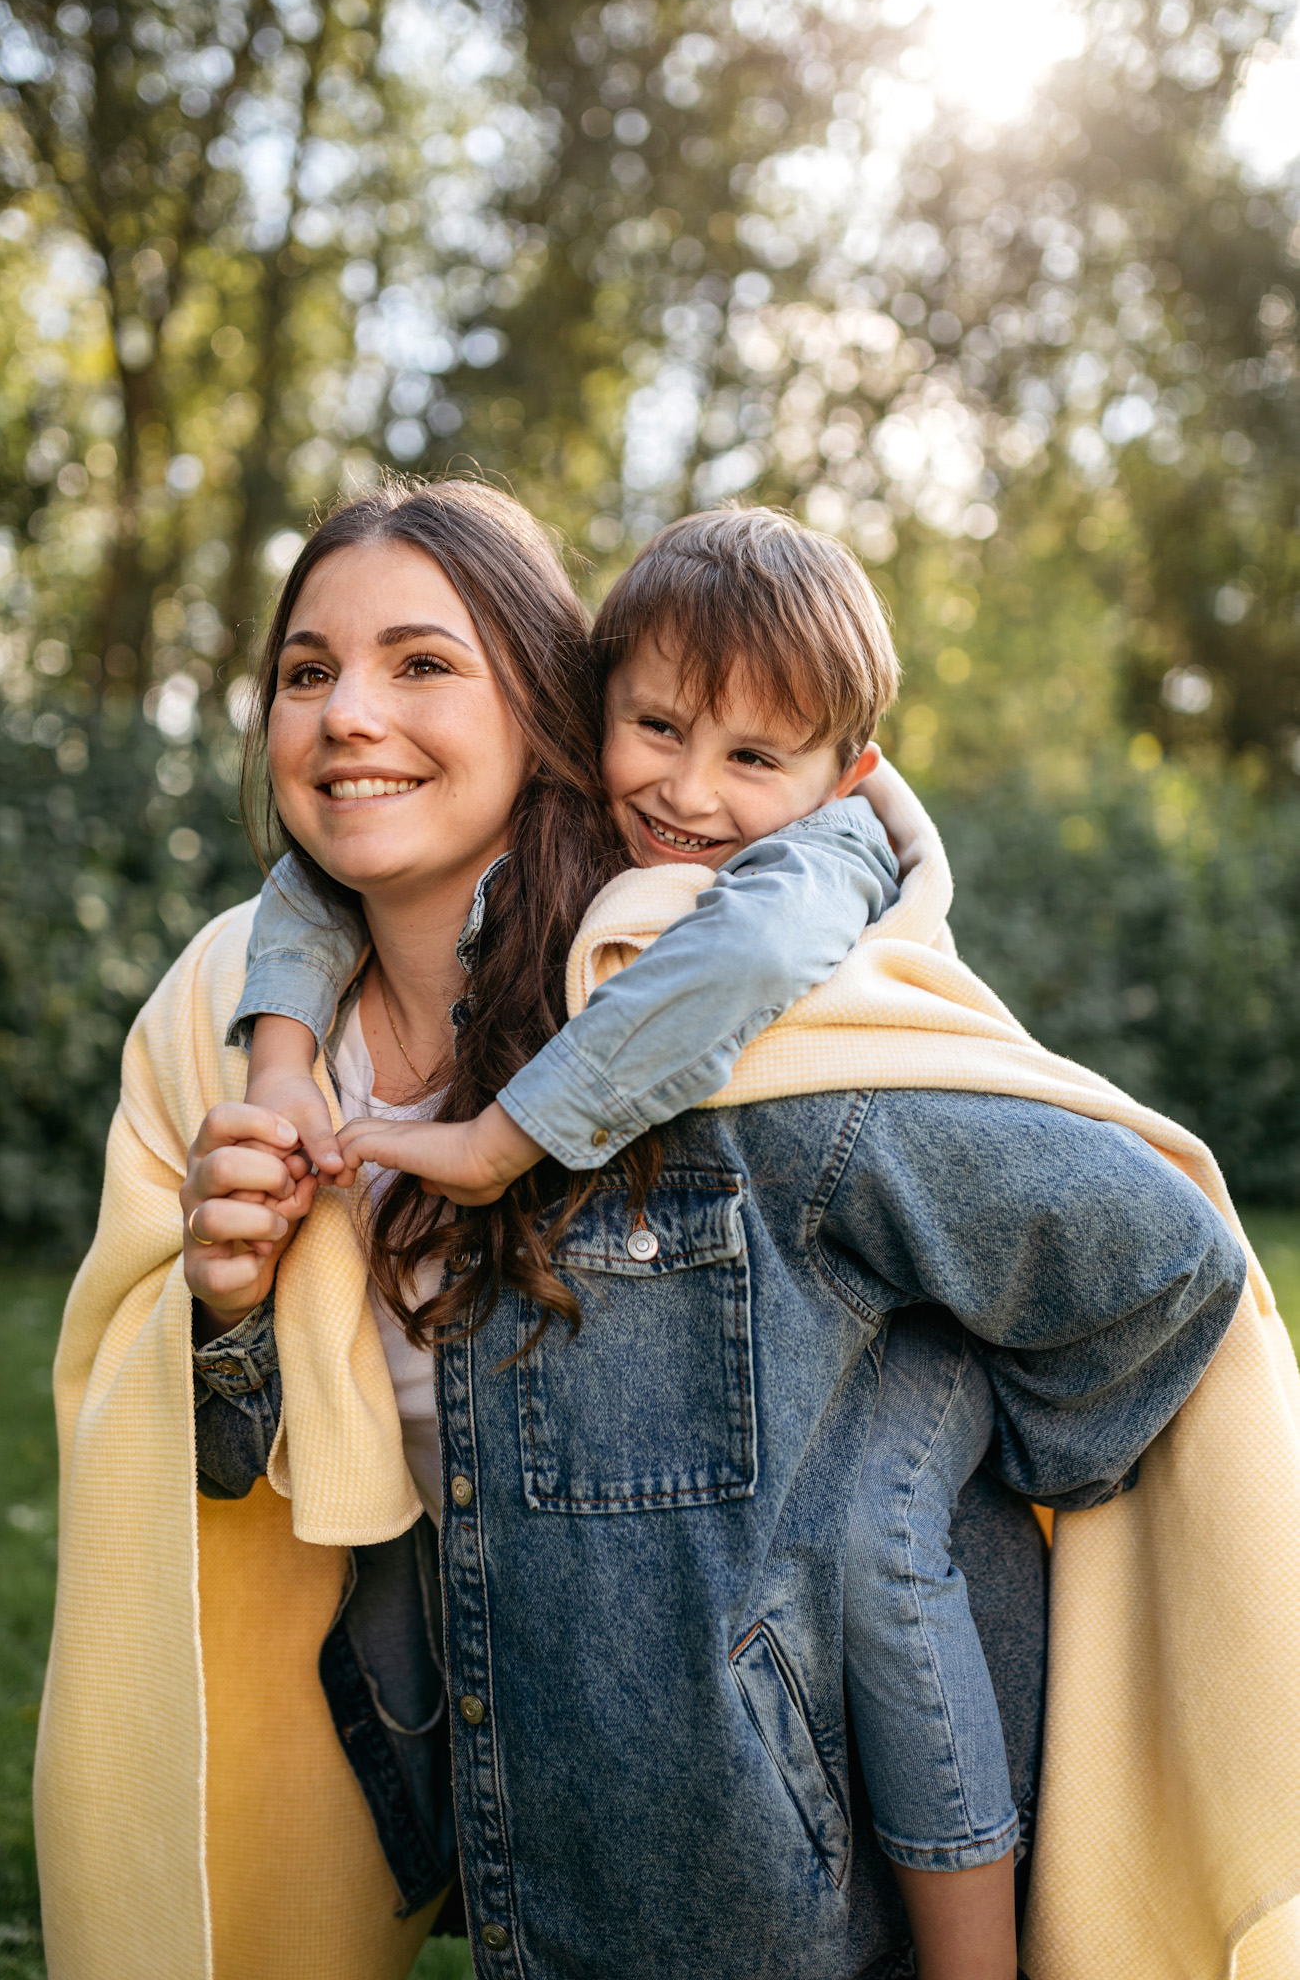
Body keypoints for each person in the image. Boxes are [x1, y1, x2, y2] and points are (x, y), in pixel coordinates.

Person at [179, 486, 1250, 1980]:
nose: (353, 713)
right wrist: (226, 1295)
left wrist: (900, 1456)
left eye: (422, 664)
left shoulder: (722, 1026)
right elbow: (227, 1488)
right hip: (532, 1883)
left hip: (765, 1904)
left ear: (539, 705)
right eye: (308, 671)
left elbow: (1157, 1265)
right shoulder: (220, 1029)